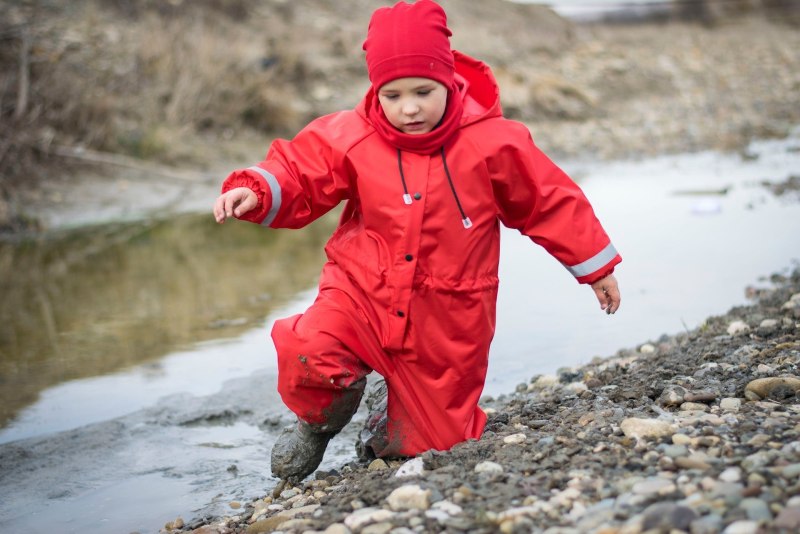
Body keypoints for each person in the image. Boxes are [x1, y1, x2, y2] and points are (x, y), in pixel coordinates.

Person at [212, 0, 621, 483]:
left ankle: (390, 419)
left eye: (424, 92)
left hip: (449, 313)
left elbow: (548, 201)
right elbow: (301, 170)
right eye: (393, 95)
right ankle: (318, 423)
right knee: (310, 348)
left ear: (448, 80)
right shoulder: (354, 135)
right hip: (362, 290)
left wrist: (596, 267)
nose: (409, 108)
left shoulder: (493, 142)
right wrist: (255, 189)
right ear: (375, 92)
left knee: (433, 448)